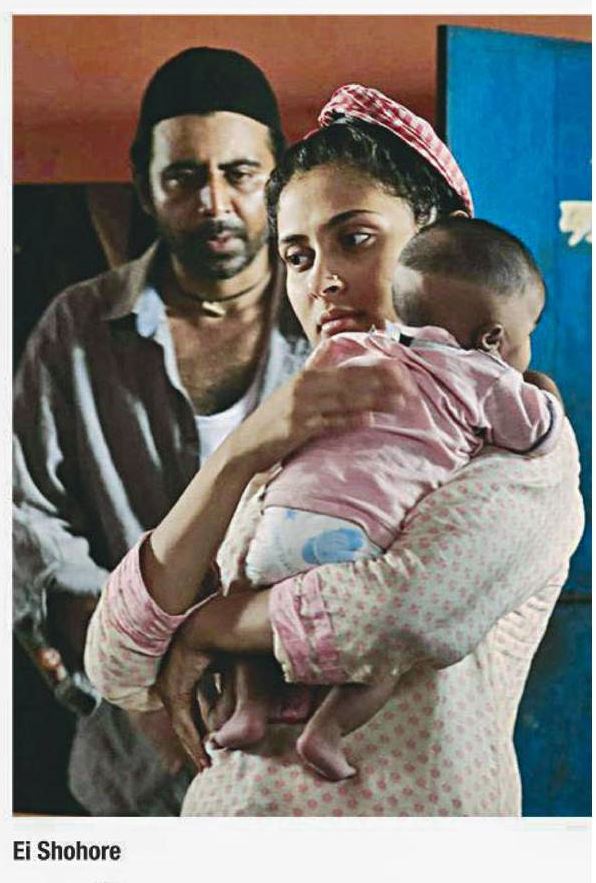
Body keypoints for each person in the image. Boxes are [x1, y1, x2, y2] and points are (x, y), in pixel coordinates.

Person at [85, 85, 583, 816]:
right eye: (297, 254)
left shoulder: (515, 444)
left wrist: (207, 625)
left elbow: (403, 611)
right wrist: (240, 454)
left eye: (356, 239)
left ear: (441, 242)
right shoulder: (288, 439)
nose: (323, 280)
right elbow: (117, 662)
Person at [13, 46, 312, 816]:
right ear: (144, 187)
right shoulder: (78, 329)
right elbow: (24, 517)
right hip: (133, 769)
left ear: (278, 179)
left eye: (240, 173)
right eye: (183, 176)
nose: (214, 202)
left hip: (309, 763)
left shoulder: (334, 326)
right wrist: (134, 673)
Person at [210, 216, 564, 782]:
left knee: (249, 597)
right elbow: (537, 435)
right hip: (356, 536)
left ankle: (250, 708)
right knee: (379, 659)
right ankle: (326, 730)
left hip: (281, 519)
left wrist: (210, 626)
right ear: (493, 338)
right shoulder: (487, 377)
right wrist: (543, 395)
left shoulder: (354, 348)